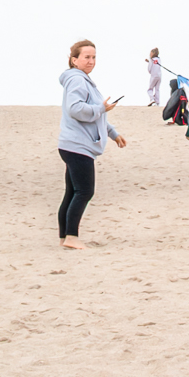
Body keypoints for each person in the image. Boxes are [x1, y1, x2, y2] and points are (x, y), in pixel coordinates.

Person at [57, 39, 125, 250]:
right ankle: (71, 237)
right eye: (86, 57)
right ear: (74, 60)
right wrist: (101, 109)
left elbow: (95, 114)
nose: (91, 61)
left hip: (72, 144)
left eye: (94, 57)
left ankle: (64, 237)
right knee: (84, 191)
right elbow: (75, 109)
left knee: (72, 192)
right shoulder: (77, 80)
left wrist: (112, 133)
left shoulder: (82, 80)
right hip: (77, 145)